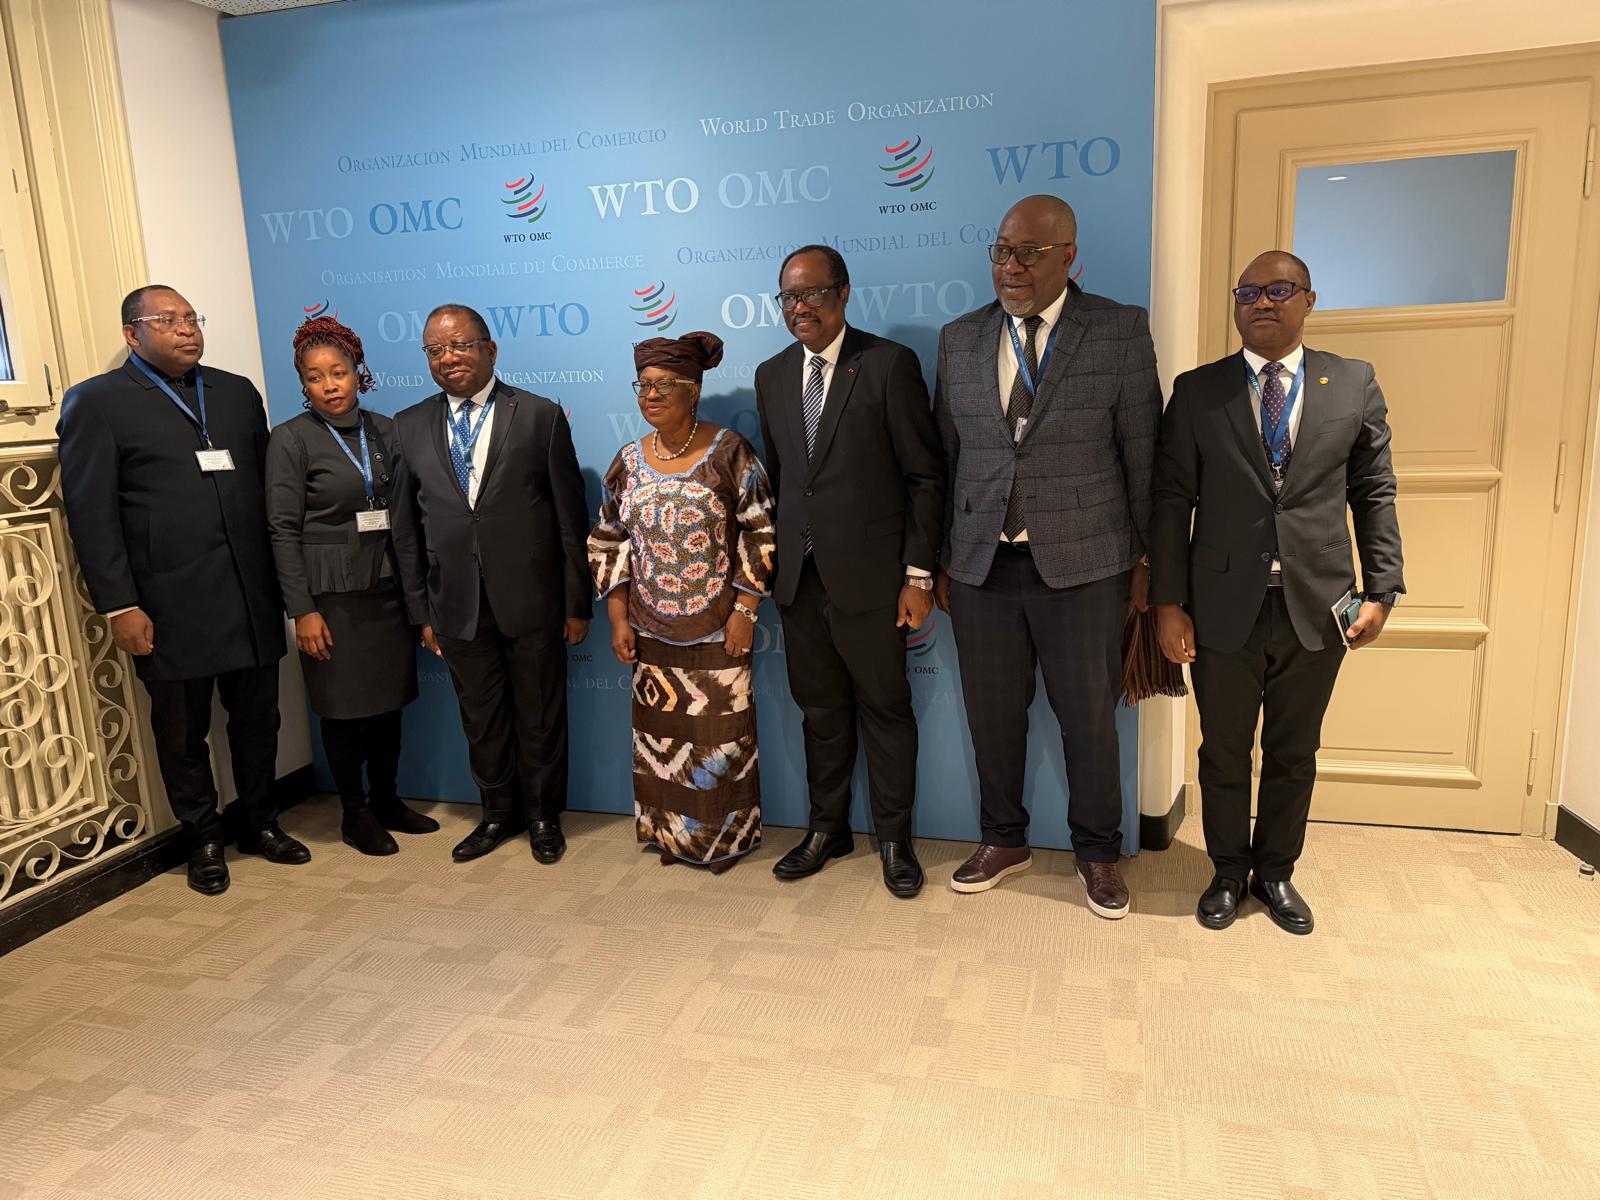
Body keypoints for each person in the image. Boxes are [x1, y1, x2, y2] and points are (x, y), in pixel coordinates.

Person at [1149, 250, 1404, 935]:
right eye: (1248, 292)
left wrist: (1383, 588)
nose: (1262, 302)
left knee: (1294, 751)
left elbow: (1373, 491)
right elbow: (1171, 500)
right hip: (1220, 605)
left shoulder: (1351, 382)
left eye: (1279, 290)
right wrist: (1167, 603)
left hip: (1318, 607)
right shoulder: (1198, 391)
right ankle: (1228, 871)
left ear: (1308, 300)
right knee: (1223, 751)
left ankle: (1277, 872)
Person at [932, 195, 1161, 919]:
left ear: (1069, 255)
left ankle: (1098, 853)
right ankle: (1003, 839)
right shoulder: (960, 339)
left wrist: (1149, 566)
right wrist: (941, 559)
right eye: (1003, 251)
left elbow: (1143, 457)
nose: (1013, 266)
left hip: (1087, 567)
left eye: (1030, 252)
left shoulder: (1119, 330)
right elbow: (947, 457)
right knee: (992, 717)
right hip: (982, 566)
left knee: (1088, 720)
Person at [57, 285, 307, 895]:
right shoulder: (97, 402)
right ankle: (202, 839)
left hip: (248, 592)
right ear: (132, 334)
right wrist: (120, 604)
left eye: (191, 318)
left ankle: (260, 822)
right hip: (167, 602)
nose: (186, 329)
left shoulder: (236, 393)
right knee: (182, 731)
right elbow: (91, 514)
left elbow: (268, 494)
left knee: (258, 719)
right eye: (167, 320)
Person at [754, 245, 945, 899]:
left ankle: (894, 839)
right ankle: (826, 830)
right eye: (788, 297)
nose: (799, 307)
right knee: (820, 712)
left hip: (874, 581)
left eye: (811, 293)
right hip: (800, 583)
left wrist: (918, 577)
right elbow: (785, 480)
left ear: (842, 293)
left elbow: (924, 478)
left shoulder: (888, 365)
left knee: (885, 710)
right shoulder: (772, 375)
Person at [388, 303, 591, 864]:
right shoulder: (408, 425)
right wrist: (420, 612)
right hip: (454, 603)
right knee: (481, 719)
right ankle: (498, 814)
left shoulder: (540, 415)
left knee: (541, 715)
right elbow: (405, 531)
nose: (448, 357)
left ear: (490, 349)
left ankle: (544, 816)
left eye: (460, 345)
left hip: (533, 599)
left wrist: (577, 602)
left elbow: (569, 519)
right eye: (435, 349)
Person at [588, 332, 775, 872]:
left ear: (692, 391)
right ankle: (670, 837)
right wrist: (618, 617)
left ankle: (721, 841)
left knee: (720, 741)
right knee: (660, 741)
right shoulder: (628, 460)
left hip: (719, 628)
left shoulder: (731, 452)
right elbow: (608, 540)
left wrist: (745, 611)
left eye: (664, 385)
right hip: (650, 631)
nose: (650, 395)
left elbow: (761, 532)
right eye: (643, 385)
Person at [265, 316, 438, 857]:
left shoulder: (387, 430)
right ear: (303, 384)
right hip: (330, 600)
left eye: (338, 372)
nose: (330, 385)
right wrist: (302, 610)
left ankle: (386, 798)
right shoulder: (291, 439)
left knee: (388, 705)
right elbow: (281, 530)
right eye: (315, 378)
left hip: (386, 592)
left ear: (357, 371)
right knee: (343, 710)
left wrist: (418, 605)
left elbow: (404, 521)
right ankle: (354, 812)